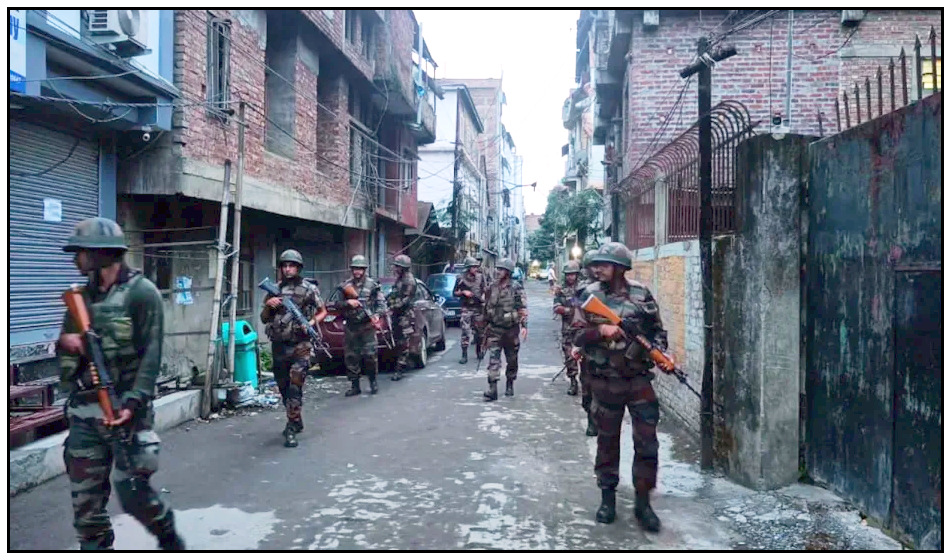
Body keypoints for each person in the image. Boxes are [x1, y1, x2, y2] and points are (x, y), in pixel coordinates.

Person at [57, 217, 185, 550]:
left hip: (127, 408)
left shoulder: (142, 293)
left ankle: (169, 538)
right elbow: (67, 349)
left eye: (81, 253)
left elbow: (151, 354)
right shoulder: (79, 298)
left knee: (133, 495)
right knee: (86, 510)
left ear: (102, 254)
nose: (75, 260)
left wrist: (132, 402)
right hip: (85, 411)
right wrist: (68, 345)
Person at [573, 242, 667, 532]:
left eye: (603, 264)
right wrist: (600, 330)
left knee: (647, 443)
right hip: (605, 381)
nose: (596, 268)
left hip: (638, 381)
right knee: (607, 441)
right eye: (594, 264)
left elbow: (657, 332)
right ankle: (607, 498)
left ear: (620, 267)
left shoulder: (641, 294)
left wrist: (663, 354)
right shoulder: (588, 295)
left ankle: (643, 503)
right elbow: (576, 336)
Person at [260, 249, 325, 448]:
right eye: (285, 266)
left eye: (292, 266)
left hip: (301, 345)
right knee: (283, 387)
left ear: (298, 268)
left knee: (295, 385)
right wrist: (269, 306)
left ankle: (290, 427)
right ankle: (296, 418)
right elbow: (264, 319)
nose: (288, 269)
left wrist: (311, 323)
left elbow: (323, 311)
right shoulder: (274, 289)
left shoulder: (308, 289)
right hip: (279, 345)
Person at [330, 255, 387, 396]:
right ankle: (355, 385)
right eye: (355, 269)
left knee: (370, 356)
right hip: (351, 326)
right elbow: (335, 304)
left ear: (364, 269)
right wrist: (348, 303)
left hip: (367, 327)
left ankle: (373, 381)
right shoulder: (345, 286)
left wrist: (377, 315)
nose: (357, 272)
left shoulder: (372, 285)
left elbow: (381, 304)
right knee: (351, 357)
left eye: (360, 269)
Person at [481, 258, 528, 401]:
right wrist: (484, 328)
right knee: (493, 360)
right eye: (497, 269)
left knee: (512, 359)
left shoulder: (516, 287)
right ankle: (492, 388)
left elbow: (522, 308)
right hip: (495, 329)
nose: (497, 271)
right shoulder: (491, 287)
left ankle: (510, 382)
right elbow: (486, 307)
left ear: (508, 272)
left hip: (511, 330)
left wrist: (524, 325)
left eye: (501, 269)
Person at [552, 260, 583, 396]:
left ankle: (587, 382)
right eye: (568, 274)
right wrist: (569, 310)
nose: (571, 277)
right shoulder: (561, 290)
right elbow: (556, 307)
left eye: (573, 274)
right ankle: (573, 381)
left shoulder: (584, 288)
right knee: (569, 355)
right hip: (568, 327)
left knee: (587, 355)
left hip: (584, 327)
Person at [386, 255, 417, 381]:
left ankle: (400, 370)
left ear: (403, 268)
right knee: (397, 342)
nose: (395, 268)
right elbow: (394, 294)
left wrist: (392, 307)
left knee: (403, 344)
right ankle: (400, 365)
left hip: (405, 315)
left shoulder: (409, 280)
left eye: (397, 266)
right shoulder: (399, 279)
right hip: (397, 315)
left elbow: (406, 300)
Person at [453, 256, 487, 365]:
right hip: (466, 308)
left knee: (480, 333)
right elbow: (454, 293)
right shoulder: (460, 278)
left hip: (478, 308)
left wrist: (485, 300)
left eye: (476, 267)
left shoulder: (481, 277)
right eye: (473, 267)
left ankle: (479, 351)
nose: (475, 269)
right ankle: (464, 355)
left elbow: (486, 290)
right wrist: (463, 292)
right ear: (468, 268)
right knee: (465, 331)